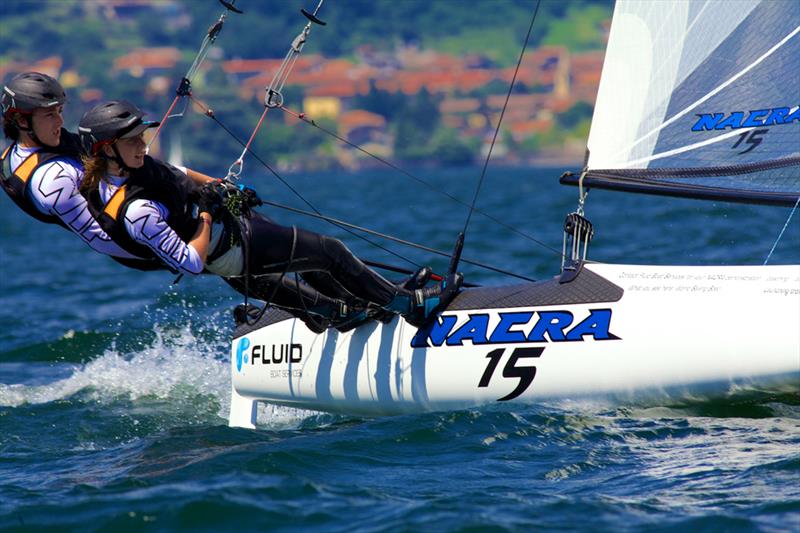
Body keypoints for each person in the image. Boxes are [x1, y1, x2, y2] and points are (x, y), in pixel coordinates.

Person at [78, 99, 462, 331]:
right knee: (329, 251)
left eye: (141, 137)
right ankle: (408, 305)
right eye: (131, 141)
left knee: (311, 259)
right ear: (105, 150)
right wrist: (209, 214)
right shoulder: (137, 211)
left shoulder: (128, 167)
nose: (142, 145)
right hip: (227, 249)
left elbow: (177, 175)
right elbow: (190, 263)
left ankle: (348, 310)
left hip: (230, 234)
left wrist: (223, 188)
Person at [0, 72, 146, 266]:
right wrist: (167, 255)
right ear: (22, 121)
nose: (60, 122)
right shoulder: (51, 181)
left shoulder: (49, 141)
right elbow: (103, 240)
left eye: (60, 111)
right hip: (142, 242)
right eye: (50, 114)